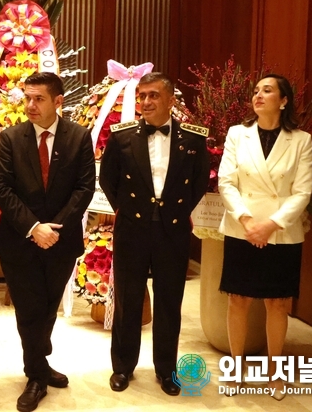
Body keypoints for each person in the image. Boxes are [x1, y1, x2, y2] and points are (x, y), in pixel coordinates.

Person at [99, 72, 210, 396]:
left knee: (168, 302)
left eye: (153, 96)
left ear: (171, 99)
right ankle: (122, 367)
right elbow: (108, 180)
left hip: (172, 230)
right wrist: (130, 210)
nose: (146, 102)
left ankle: (166, 370)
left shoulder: (193, 139)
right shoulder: (121, 137)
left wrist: (175, 212)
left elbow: (200, 181)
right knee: (128, 301)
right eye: (142, 95)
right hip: (132, 227)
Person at [0, 72, 96, 412]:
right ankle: (36, 375)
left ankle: (40, 361)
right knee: (29, 307)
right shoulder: (11, 137)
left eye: (39, 99)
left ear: (58, 101)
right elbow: (2, 188)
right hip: (20, 240)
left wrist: (56, 228)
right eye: (27, 98)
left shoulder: (79, 137)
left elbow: (84, 187)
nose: (31, 105)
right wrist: (34, 227)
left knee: (48, 305)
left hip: (62, 241)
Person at [218, 74, 312, 400]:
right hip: (241, 228)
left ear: (283, 100)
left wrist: (270, 224)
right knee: (238, 299)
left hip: (282, 233)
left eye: (267, 90)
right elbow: (226, 182)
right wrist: (247, 220)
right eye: (256, 91)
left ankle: (275, 374)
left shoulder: (301, 140)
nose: (258, 95)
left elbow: (302, 192)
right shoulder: (236, 134)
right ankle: (234, 369)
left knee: (277, 302)